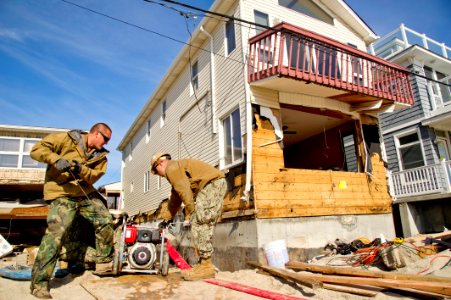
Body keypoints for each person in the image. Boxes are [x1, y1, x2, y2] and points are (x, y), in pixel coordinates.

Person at [29, 123, 114, 299]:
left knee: (105, 219)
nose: (106, 144)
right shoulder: (66, 140)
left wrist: (80, 169)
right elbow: (36, 150)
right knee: (56, 234)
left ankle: (103, 263)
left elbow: (94, 176)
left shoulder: (102, 158)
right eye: (105, 139)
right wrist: (56, 160)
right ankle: (39, 284)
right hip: (62, 193)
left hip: (85, 194)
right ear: (96, 133)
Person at [151, 152, 227, 281]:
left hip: (212, 185)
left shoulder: (171, 168)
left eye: (156, 171)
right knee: (199, 222)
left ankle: (206, 266)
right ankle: (203, 263)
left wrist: (191, 210)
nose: (159, 175)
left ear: (160, 163)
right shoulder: (176, 170)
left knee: (199, 222)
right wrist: (167, 218)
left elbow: (184, 190)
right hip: (212, 186)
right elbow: (175, 198)